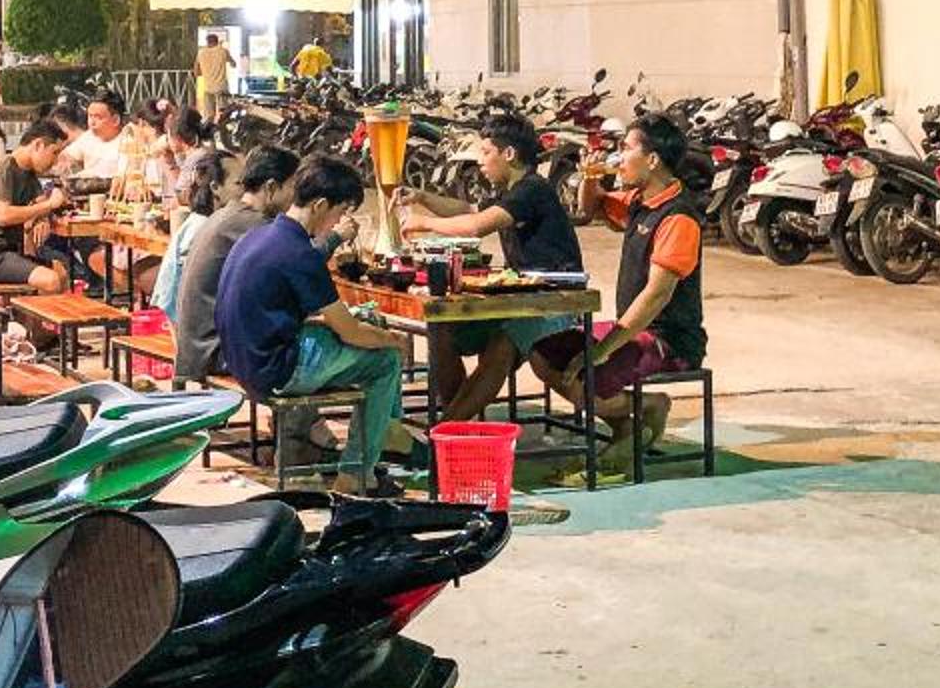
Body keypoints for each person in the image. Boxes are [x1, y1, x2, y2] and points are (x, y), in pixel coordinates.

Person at [214, 154, 415, 491]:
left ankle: (385, 434)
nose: (337, 223)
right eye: (339, 212)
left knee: (370, 323)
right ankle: (356, 473)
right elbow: (349, 331)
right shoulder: (300, 253)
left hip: (242, 361)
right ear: (321, 205)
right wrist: (395, 341)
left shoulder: (258, 236)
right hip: (277, 369)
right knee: (386, 360)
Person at [542, 112, 705, 475]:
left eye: (626, 148)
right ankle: (639, 416)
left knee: (584, 377)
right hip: (632, 330)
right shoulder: (638, 201)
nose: (618, 158)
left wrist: (604, 348)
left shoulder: (678, 218)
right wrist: (589, 177)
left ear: (652, 159)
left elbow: (656, 296)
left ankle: (642, 414)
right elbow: (591, 208)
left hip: (668, 339)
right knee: (546, 353)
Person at [400, 111, 588, 419]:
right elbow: (468, 209)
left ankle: (447, 428)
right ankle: (457, 421)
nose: (480, 162)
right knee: (442, 329)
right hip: (519, 298)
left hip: (556, 300)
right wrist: (422, 197)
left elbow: (476, 226)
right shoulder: (510, 191)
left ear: (509, 154)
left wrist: (424, 223)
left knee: (504, 341)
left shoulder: (533, 189)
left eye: (486, 152)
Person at [172, 145, 298, 386]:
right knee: (307, 352)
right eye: (293, 186)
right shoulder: (253, 223)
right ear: (272, 187)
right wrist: (334, 237)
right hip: (213, 352)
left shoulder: (227, 214)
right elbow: (300, 267)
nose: (295, 198)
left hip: (197, 348)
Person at [0, 118, 74, 294]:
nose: (55, 161)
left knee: (61, 272)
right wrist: (48, 205)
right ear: (38, 145)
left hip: (10, 253)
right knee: (50, 280)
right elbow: (3, 216)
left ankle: (41, 313)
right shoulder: (3, 168)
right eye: (54, 152)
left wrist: (42, 218)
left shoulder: (28, 174)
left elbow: (40, 203)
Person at [149, 146, 224, 316]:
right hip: (179, 318)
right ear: (215, 187)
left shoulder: (206, 221)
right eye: (237, 183)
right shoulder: (201, 225)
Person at [193, 31, 232, 121]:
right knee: (224, 113)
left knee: (209, 115)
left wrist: (205, 72)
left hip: (208, 88)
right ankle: (222, 128)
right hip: (221, 87)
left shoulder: (201, 53)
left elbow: (196, 72)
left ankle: (209, 128)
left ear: (207, 42)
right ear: (217, 41)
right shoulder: (223, 51)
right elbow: (233, 63)